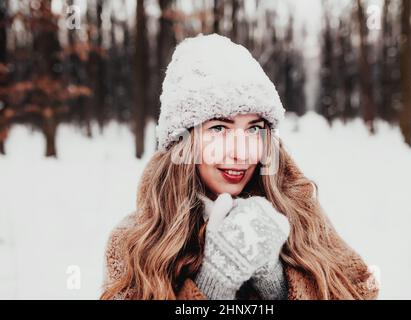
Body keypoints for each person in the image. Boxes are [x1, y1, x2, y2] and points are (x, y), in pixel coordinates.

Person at [100, 33, 379, 300]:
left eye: (254, 129)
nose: (240, 152)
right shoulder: (134, 241)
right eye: (219, 128)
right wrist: (213, 282)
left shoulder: (299, 212)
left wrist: (276, 283)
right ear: (183, 142)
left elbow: (361, 290)